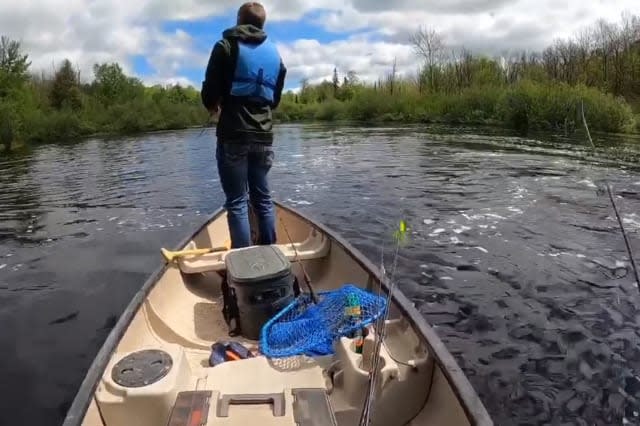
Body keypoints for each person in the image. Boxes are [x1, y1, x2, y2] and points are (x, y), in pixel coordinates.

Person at [201, 2, 287, 249]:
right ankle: (270, 252)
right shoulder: (276, 56)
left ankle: (246, 262)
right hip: (263, 137)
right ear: (263, 24)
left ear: (239, 21)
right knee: (262, 198)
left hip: (233, 135)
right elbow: (275, 100)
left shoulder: (225, 47)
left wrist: (214, 106)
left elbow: (209, 95)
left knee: (238, 201)